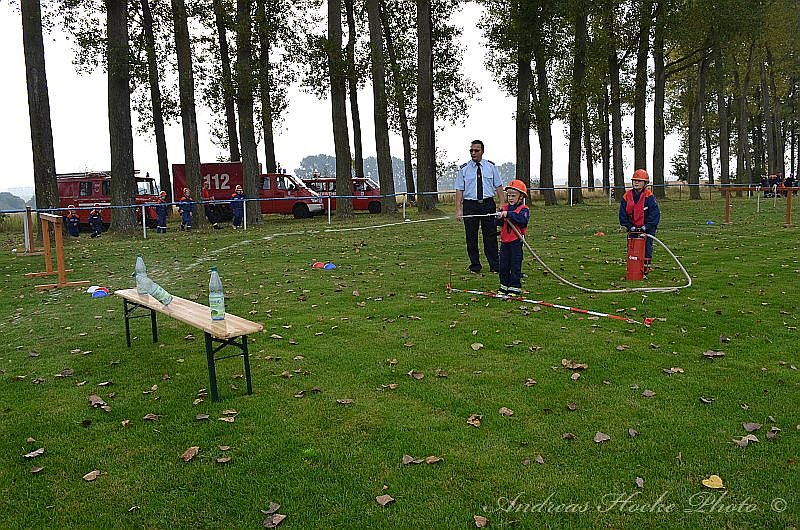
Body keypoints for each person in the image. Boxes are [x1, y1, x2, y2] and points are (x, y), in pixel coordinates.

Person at [455, 139, 505, 274]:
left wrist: (502, 204)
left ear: (482, 151)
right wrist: (458, 209)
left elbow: (499, 186)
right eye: (471, 150)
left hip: (488, 204)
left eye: (476, 150)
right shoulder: (464, 169)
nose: (473, 153)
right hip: (470, 206)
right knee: (471, 237)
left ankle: (495, 265)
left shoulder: (491, 167)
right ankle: (475, 266)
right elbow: (459, 190)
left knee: (490, 236)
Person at [619, 169, 661, 277]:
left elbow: (655, 214)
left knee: (647, 248)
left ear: (645, 183)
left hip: (647, 228)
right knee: (632, 249)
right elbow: (622, 214)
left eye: (639, 181)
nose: (636, 183)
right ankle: (633, 269)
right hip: (632, 228)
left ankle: (645, 270)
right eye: (634, 181)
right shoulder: (627, 196)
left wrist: (646, 227)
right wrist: (629, 226)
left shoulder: (649, 197)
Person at [495, 180, 530, 296]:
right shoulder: (504, 208)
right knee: (503, 265)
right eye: (509, 195)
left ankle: (515, 287)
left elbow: (522, 220)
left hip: (516, 242)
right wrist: (499, 216)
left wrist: (508, 214)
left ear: (521, 197)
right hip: (505, 242)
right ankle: (504, 286)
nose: (510, 198)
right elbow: (497, 223)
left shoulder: (524, 209)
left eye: (513, 196)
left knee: (515, 265)